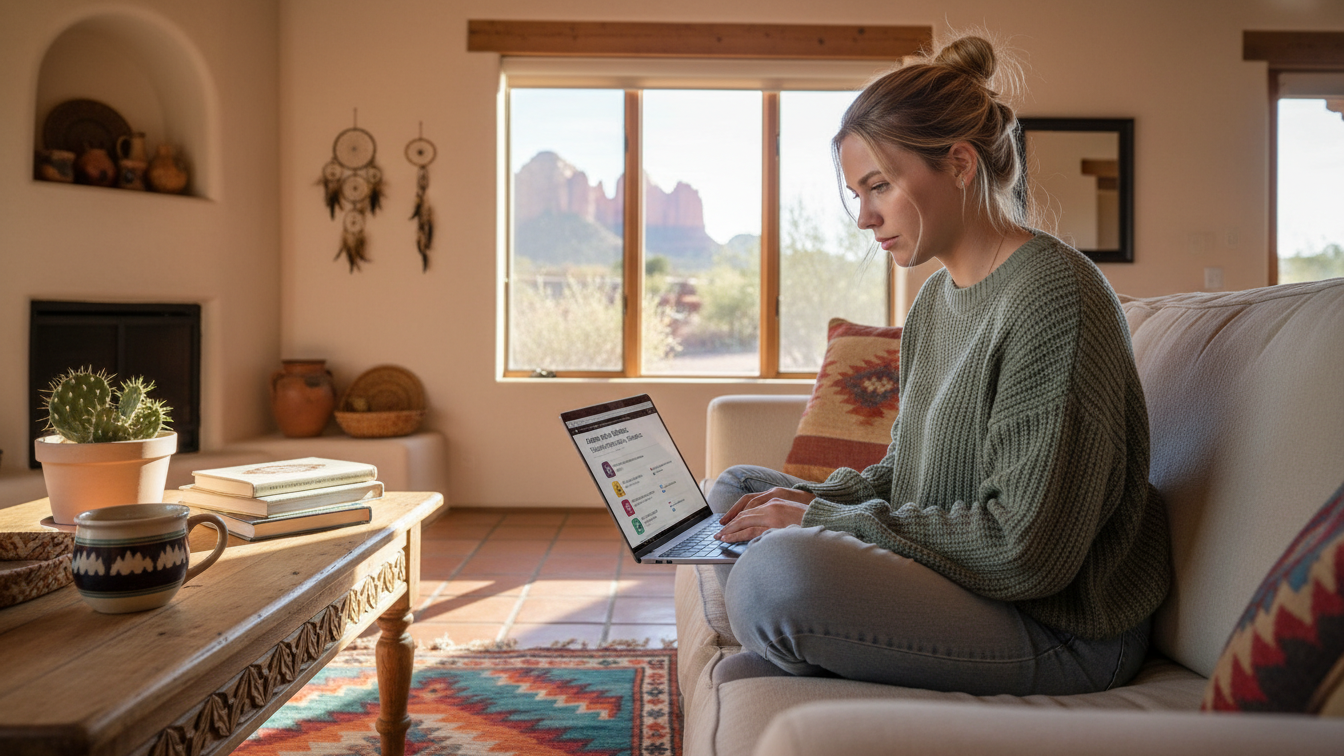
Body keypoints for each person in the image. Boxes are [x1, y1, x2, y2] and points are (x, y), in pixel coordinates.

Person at [707, 34, 1173, 696]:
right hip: (963, 582)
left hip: (1055, 624)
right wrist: (810, 501)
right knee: (732, 494)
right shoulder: (934, 301)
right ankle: (807, 639)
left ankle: (799, 634)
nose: (865, 218)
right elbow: (905, 476)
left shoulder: (1054, 296)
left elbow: (1025, 550)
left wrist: (819, 522)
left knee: (770, 576)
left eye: (879, 187)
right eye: (856, 194)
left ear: (957, 164)